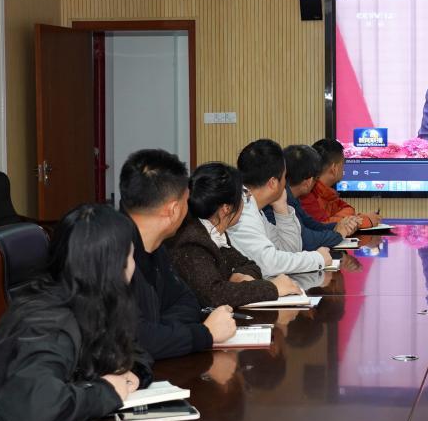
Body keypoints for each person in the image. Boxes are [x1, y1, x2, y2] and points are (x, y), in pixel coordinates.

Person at [0, 204, 150, 421]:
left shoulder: (90, 301)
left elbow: (132, 350)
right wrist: (105, 392)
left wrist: (133, 372)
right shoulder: (49, 323)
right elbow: (36, 410)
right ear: (115, 268)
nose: (134, 265)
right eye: (130, 256)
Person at [120, 148, 237, 357]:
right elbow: (131, 340)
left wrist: (159, 332)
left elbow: (187, 302)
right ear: (174, 210)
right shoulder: (111, 251)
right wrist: (204, 334)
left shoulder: (156, 246)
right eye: (186, 201)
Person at [169, 162, 304, 308]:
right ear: (226, 208)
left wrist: (241, 276)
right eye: (243, 196)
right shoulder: (192, 241)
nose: (245, 201)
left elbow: (248, 264)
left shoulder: (213, 231)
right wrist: (273, 287)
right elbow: (215, 295)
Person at [231, 138, 334, 276]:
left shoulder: (254, 207)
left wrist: (281, 209)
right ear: (273, 183)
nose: (286, 183)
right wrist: (317, 259)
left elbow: (290, 250)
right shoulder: (240, 210)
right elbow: (269, 264)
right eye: (285, 177)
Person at [274, 144, 349, 249]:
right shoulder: (277, 199)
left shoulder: (292, 196)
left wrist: (338, 226)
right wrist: (338, 235)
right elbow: (305, 239)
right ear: (308, 182)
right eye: (316, 179)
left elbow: (312, 225)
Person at [303, 138, 382, 230]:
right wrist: (363, 221)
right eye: (343, 164)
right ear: (334, 169)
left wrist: (346, 219)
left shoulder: (328, 193)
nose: (344, 169)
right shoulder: (307, 194)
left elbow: (349, 209)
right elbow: (322, 226)